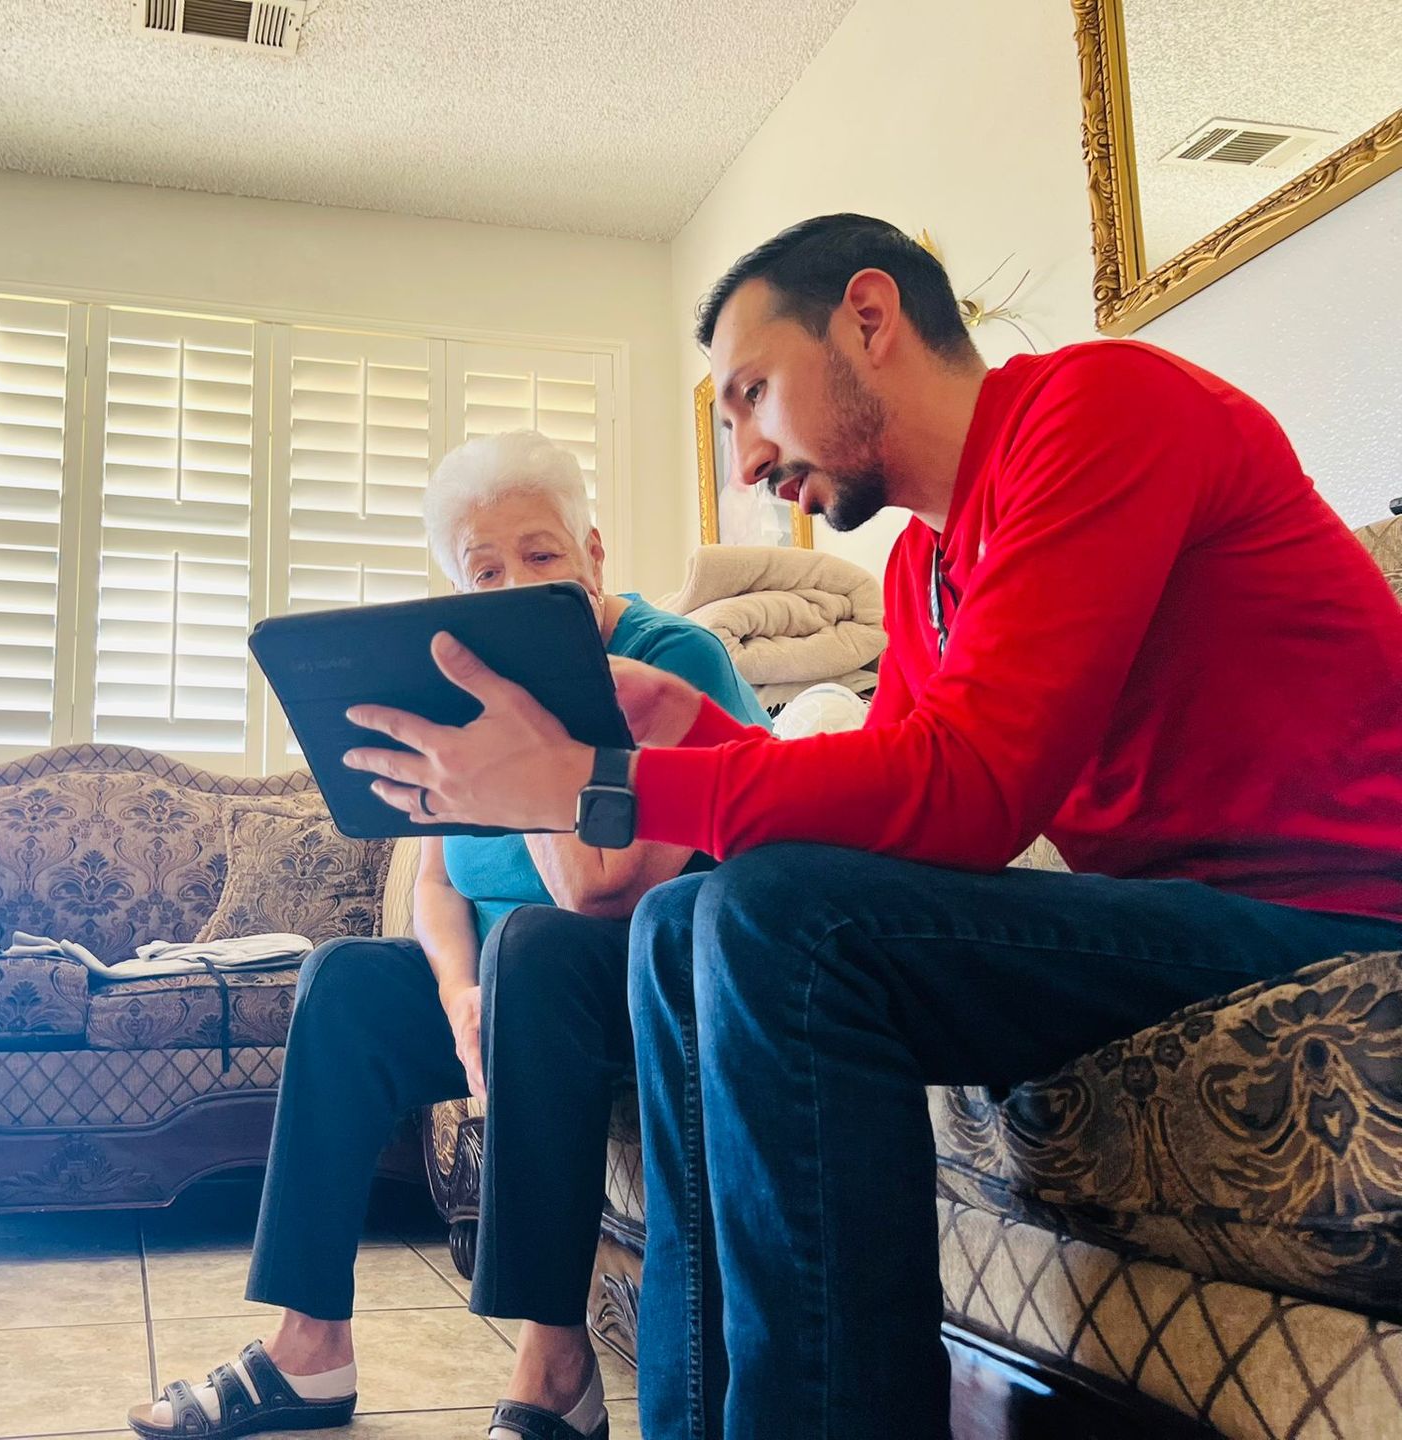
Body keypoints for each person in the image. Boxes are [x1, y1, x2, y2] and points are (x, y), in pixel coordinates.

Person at [338, 215, 1402, 1439]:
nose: (742, 459)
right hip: (1178, 929)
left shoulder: (1100, 410)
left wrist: (600, 786)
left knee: (772, 920)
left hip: (1334, 920)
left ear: (870, 317)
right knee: (688, 917)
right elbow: (895, 823)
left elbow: (972, 791)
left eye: (749, 394)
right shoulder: (924, 573)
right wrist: (687, 727)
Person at [127, 430, 768, 1440]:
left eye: (542, 555)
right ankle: (310, 1348)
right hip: (512, 994)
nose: (516, 585)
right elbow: (433, 881)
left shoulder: (670, 659)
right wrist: (458, 997)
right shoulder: (460, 697)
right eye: (486, 571)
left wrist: (535, 741)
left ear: (594, 553)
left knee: (536, 952)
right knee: (344, 981)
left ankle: (556, 1366)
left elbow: (600, 896)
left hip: (636, 985)